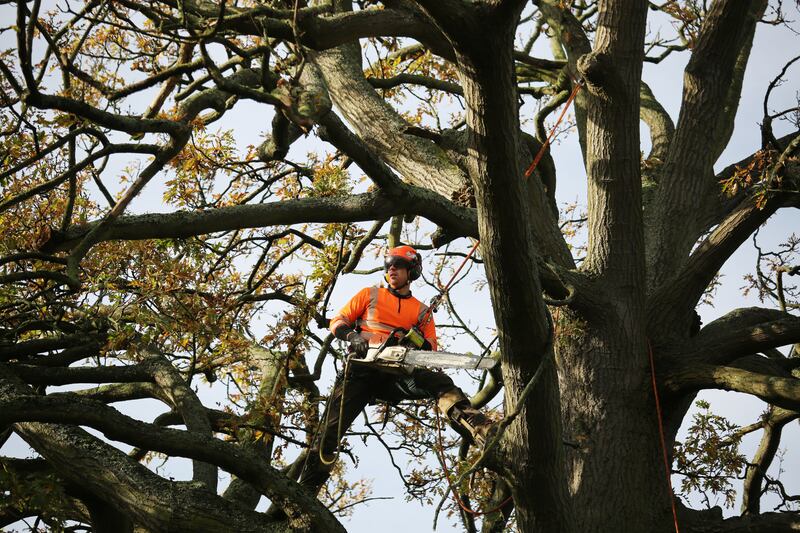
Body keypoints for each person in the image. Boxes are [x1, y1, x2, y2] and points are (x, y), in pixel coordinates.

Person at [297, 245, 496, 495]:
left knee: (440, 381)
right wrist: (352, 337)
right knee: (329, 431)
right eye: (389, 265)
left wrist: (411, 338)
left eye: (398, 265)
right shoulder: (370, 294)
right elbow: (338, 321)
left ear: (411, 271)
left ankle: (477, 425)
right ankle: (305, 491)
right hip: (362, 370)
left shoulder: (421, 311)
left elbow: (431, 348)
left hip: (396, 375)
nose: (392, 269)